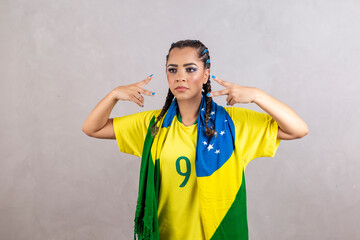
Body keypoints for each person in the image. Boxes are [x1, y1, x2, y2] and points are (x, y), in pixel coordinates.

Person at [82, 39, 309, 240]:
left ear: (206, 74)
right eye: (173, 70)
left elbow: (297, 130)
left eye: (190, 69)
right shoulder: (153, 125)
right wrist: (113, 95)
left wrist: (259, 96)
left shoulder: (233, 123)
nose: (180, 76)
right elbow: (93, 128)